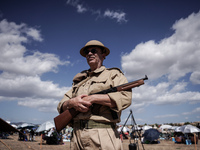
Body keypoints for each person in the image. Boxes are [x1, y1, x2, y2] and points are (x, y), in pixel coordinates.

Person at [57, 40, 132, 150]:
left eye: (93, 51)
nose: (89, 54)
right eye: (87, 52)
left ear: (103, 55)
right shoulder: (79, 80)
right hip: (77, 136)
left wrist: (93, 98)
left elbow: (125, 98)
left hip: (102, 134)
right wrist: (72, 102)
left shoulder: (113, 74)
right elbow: (61, 105)